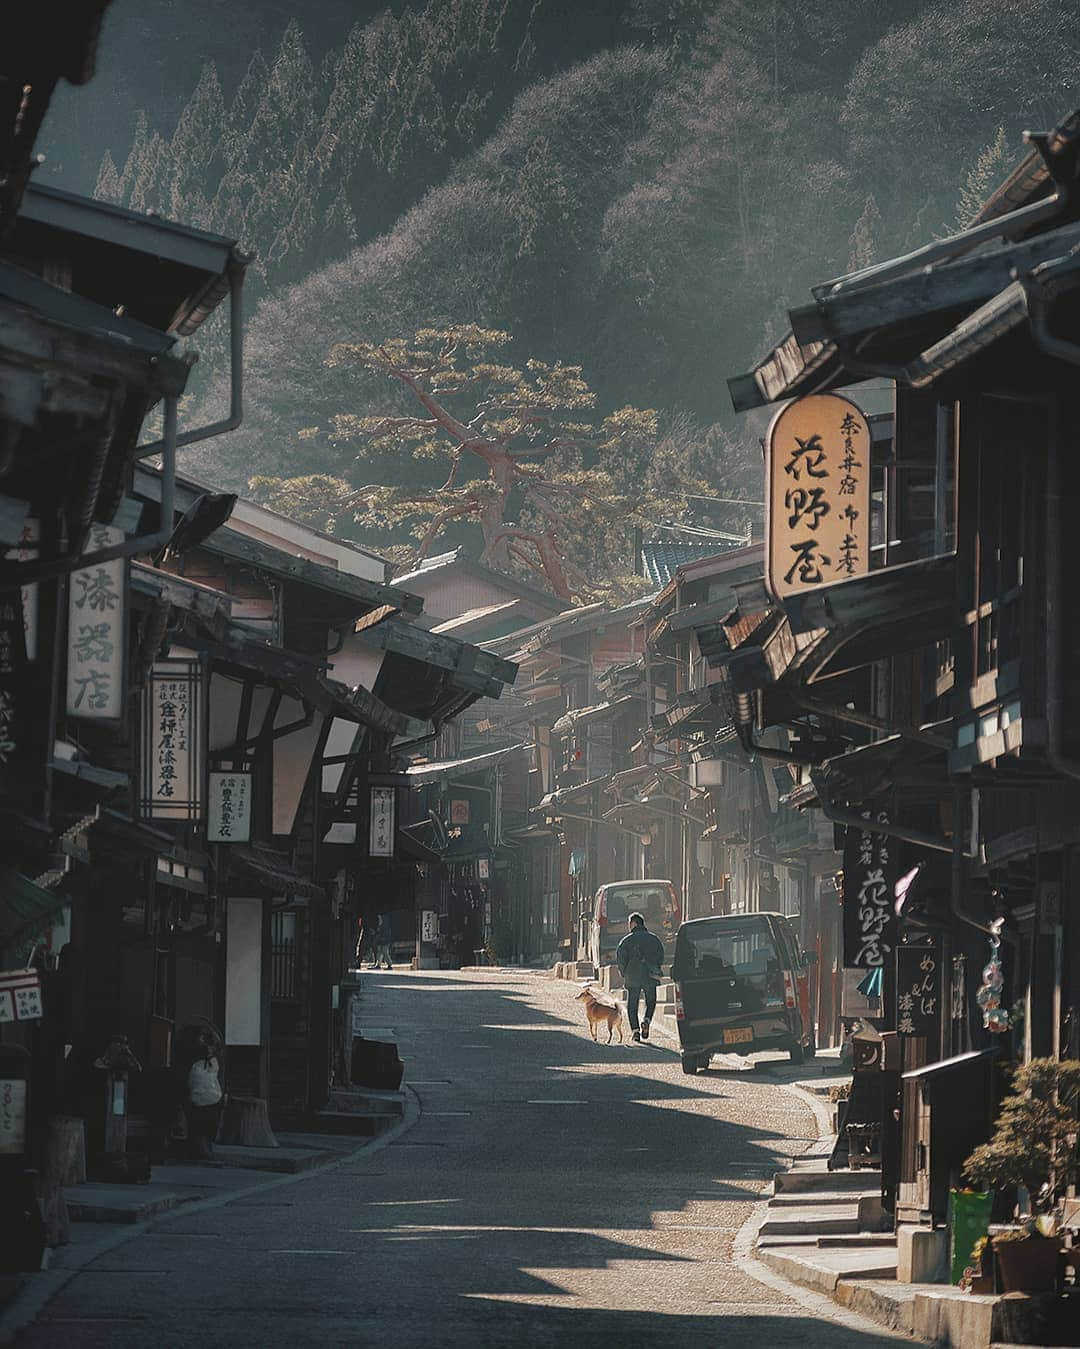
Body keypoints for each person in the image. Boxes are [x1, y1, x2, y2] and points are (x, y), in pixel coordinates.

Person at [616, 911, 665, 1043]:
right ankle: (647, 1021)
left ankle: (635, 1031)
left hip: (632, 976)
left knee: (632, 1005)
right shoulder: (654, 939)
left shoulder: (626, 941)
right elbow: (661, 955)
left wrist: (624, 973)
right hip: (650, 975)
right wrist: (655, 966)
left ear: (633, 923)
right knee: (651, 1001)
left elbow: (621, 959)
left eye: (629, 923)